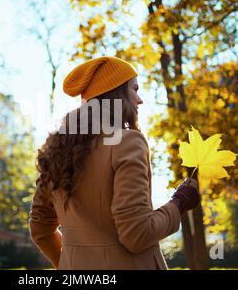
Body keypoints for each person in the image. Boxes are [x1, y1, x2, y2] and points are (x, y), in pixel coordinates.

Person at [29, 56, 200, 270]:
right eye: (134, 89)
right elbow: (137, 234)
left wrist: (68, 263)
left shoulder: (56, 151)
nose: (139, 100)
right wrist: (179, 202)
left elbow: (40, 229)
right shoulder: (128, 142)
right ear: (117, 94)